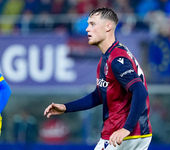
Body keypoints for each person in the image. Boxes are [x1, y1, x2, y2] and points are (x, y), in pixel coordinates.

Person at [44, 7, 152, 150]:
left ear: (108, 26)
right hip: (138, 134)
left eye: (92, 24)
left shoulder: (116, 58)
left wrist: (127, 128)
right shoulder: (110, 55)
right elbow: (100, 95)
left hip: (120, 135)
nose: (87, 29)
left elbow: (140, 91)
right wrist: (66, 107)